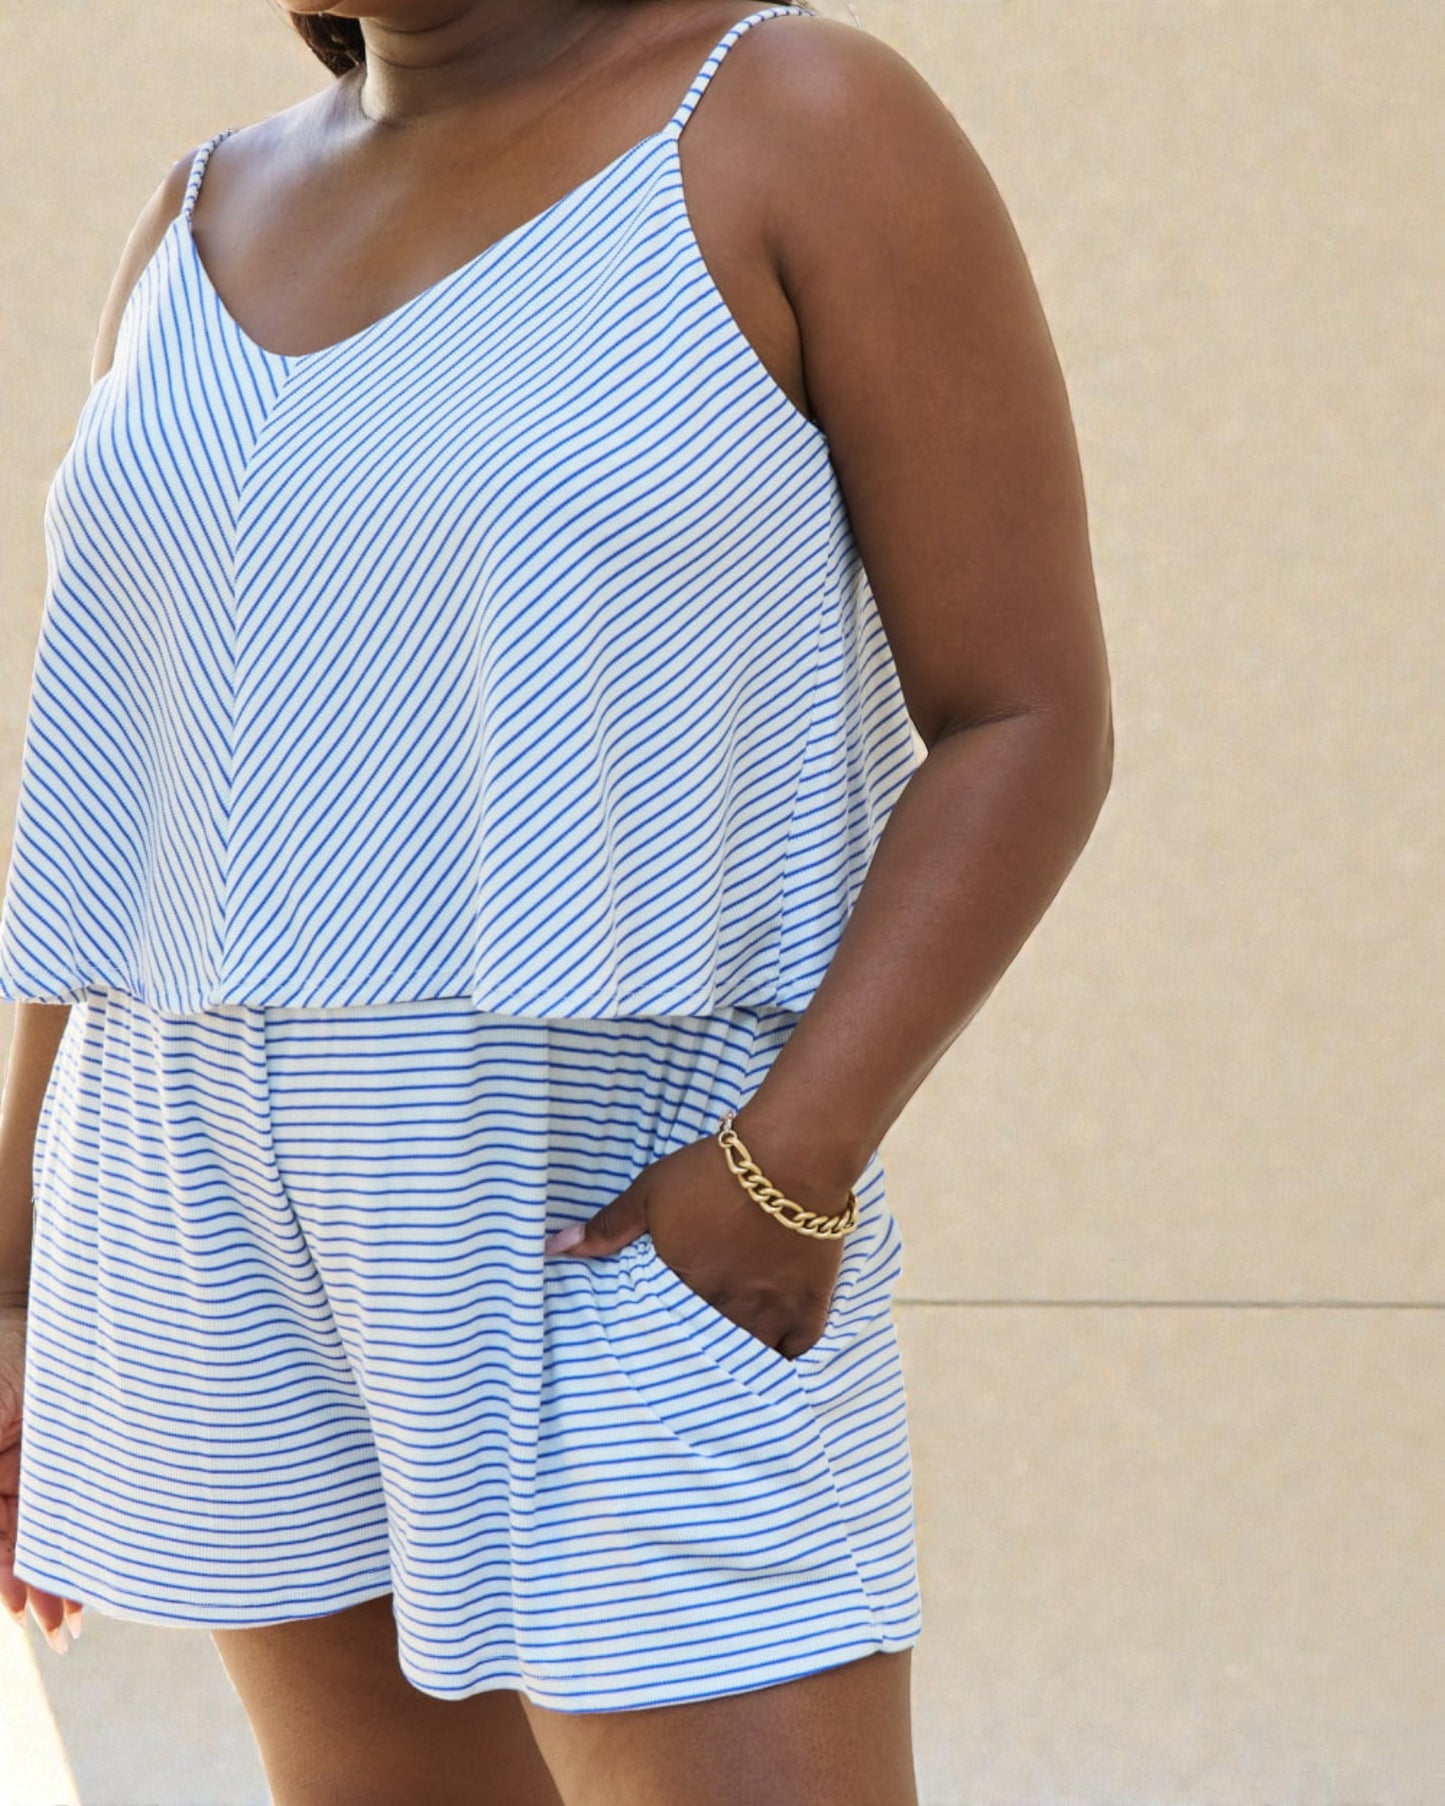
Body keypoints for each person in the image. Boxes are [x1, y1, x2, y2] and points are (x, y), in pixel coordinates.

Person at [0, 2, 1113, 1800]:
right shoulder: (196, 210)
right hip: (195, 1203)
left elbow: (1023, 715)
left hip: (600, 1208)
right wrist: (16, 1281)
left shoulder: (790, 118)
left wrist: (787, 1167)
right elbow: (114, 797)